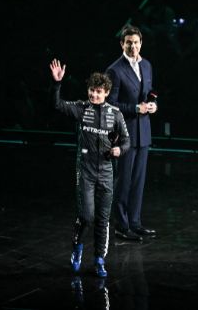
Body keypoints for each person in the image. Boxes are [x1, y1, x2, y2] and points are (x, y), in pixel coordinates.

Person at [50, 59, 130, 277]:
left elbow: (126, 141)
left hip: (106, 171)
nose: (95, 95)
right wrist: (57, 84)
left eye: (99, 91)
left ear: (106, 93)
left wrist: (118, 151)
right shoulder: (81, 108)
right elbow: (57, 105)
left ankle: (99, 260)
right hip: (85, 171)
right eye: (92, 91)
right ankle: (77, 249)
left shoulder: (115, 113)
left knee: (103, 220)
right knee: (86, 216)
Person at [106, 25, 158, 242]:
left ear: (141, 43)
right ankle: (121, 225)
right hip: (125, 133)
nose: (133, 46)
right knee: (124, 181)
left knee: (138, 181)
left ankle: (135, 223)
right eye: (129, 42)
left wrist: (154, 104)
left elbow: (149, 92)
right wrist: (135, 109)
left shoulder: (146, 65)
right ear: (122, 44)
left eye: (136, 42)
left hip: (143, 132)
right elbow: (110, 103)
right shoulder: (115, 70)